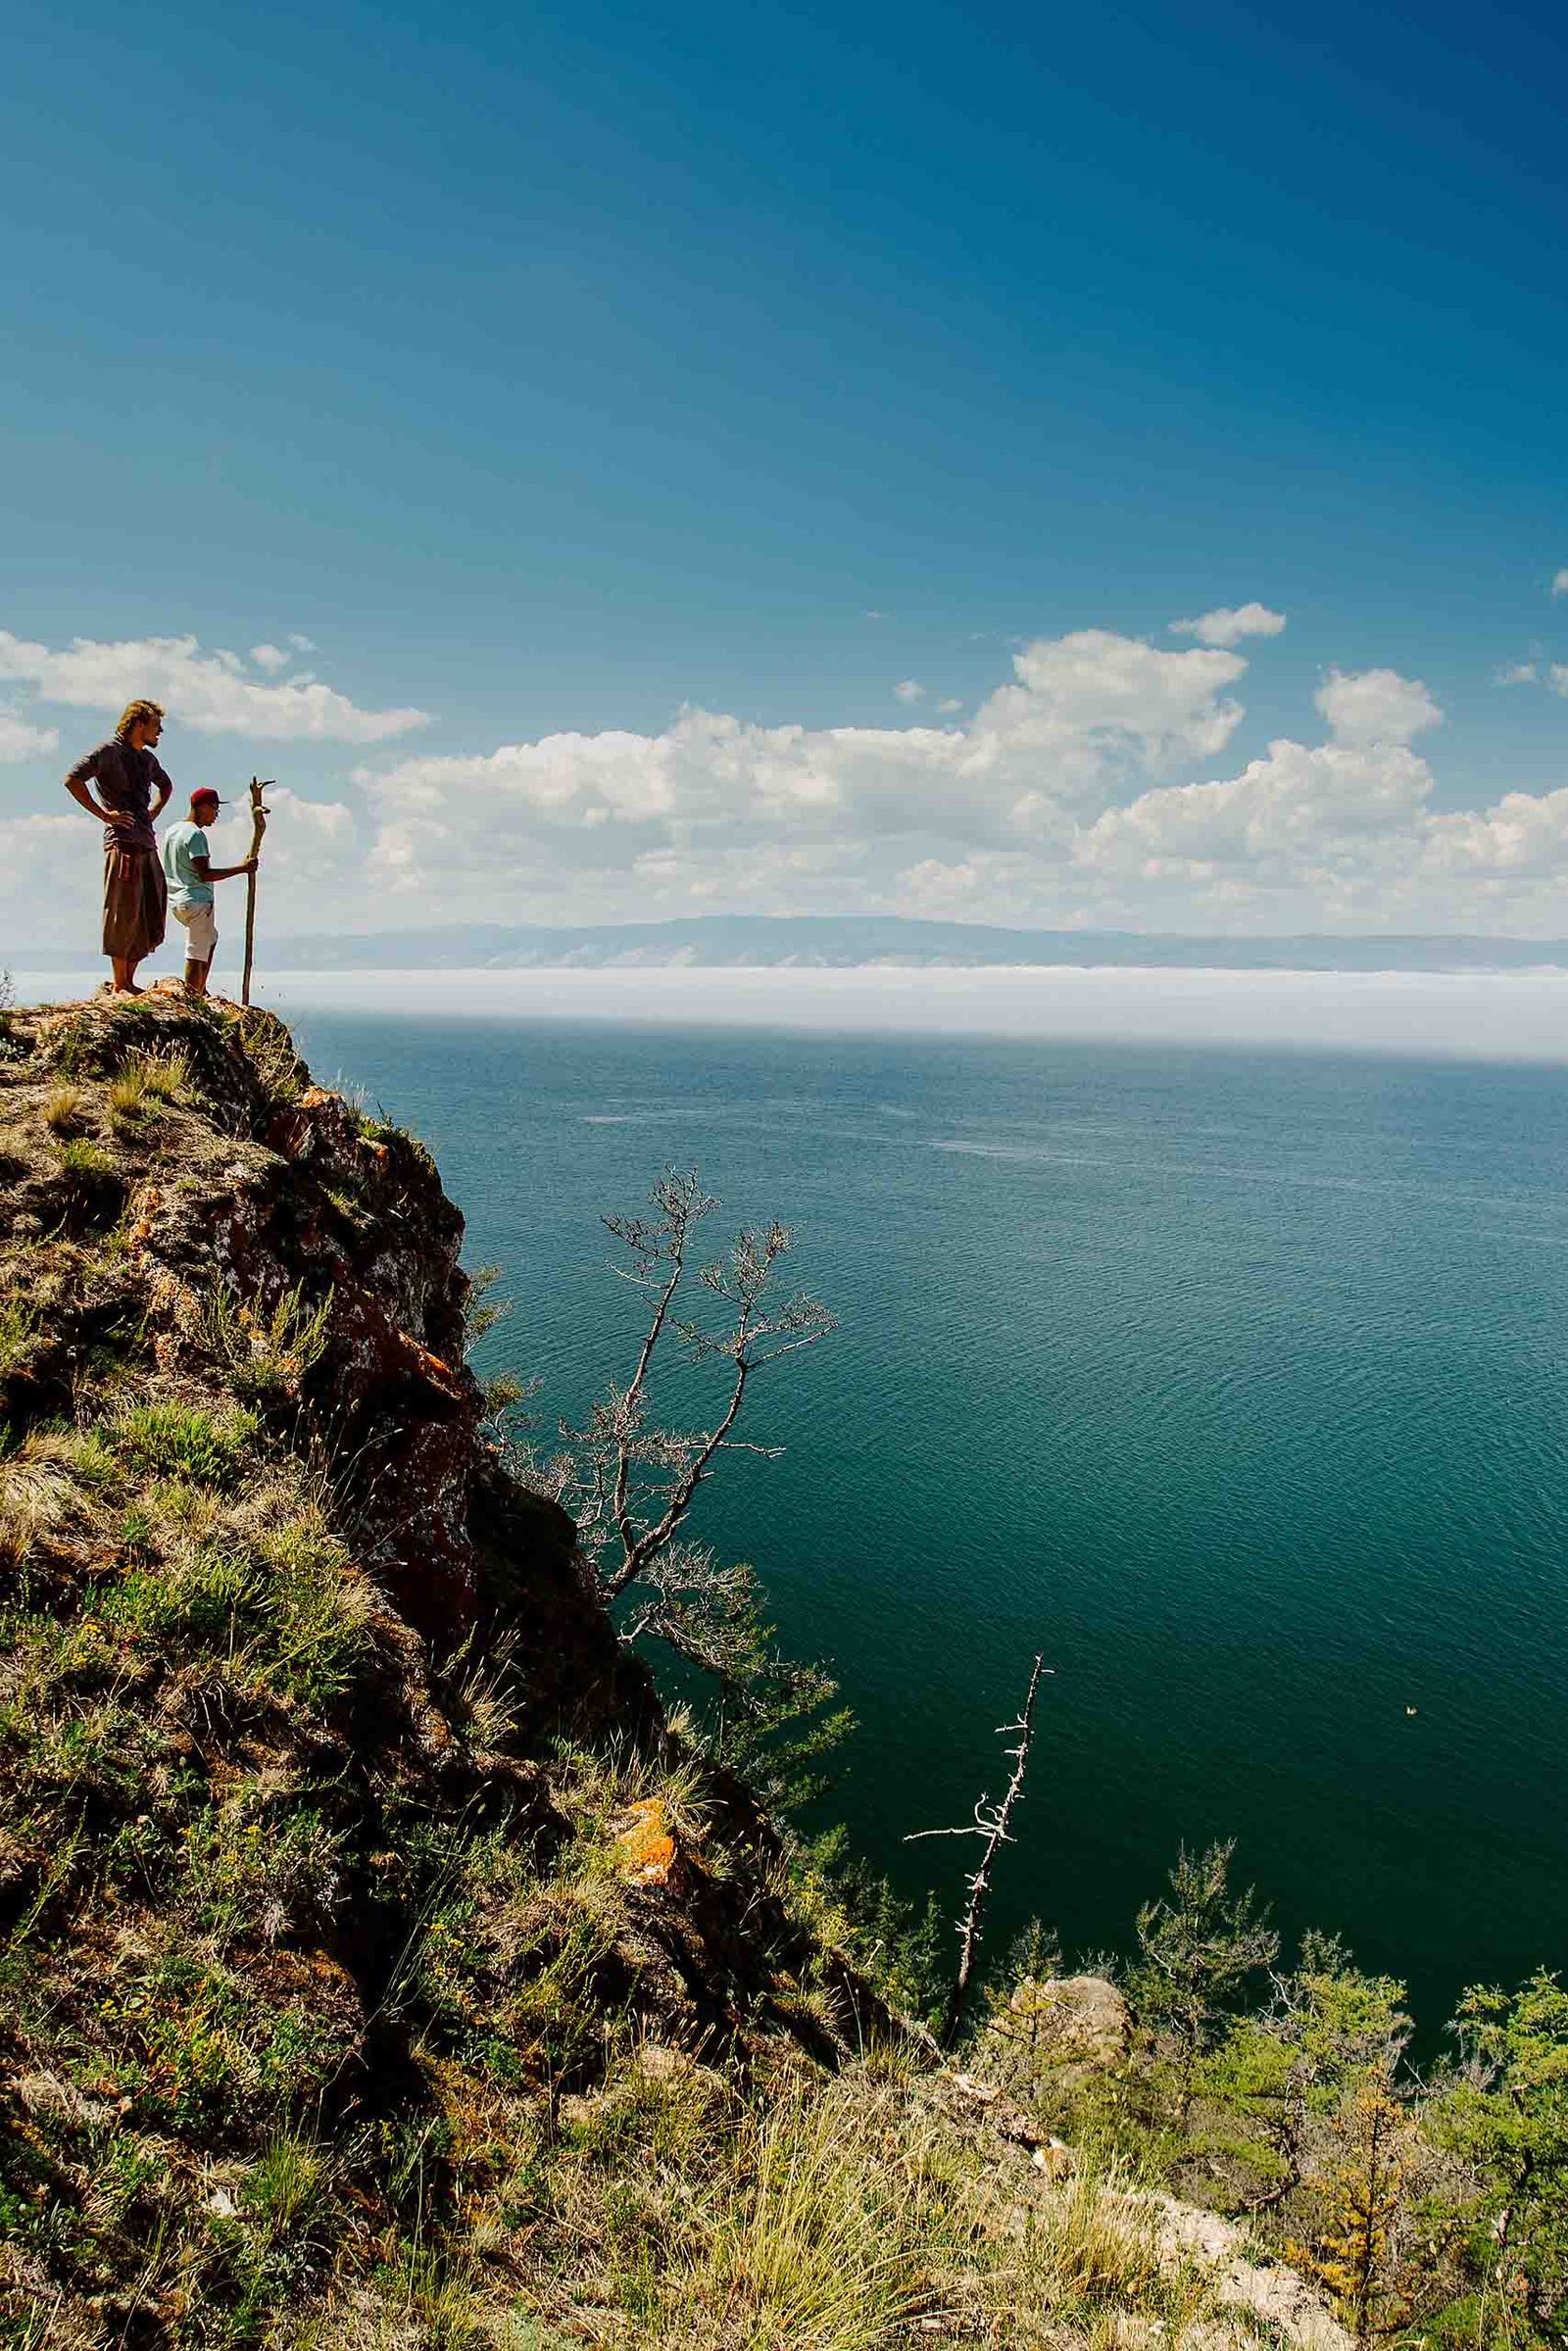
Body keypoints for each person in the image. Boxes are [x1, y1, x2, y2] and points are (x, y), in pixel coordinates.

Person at [63, 699, 174, 993]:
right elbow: (73, 779)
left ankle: (129, 981)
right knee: (122, 911)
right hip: (122, 843)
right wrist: (105, 815)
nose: (159, 731)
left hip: (146, 841)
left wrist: (154, 812)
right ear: (138, 724)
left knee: (150, 909)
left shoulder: (147, 760)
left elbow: (166, 786)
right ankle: (120, 983)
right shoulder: (108, 752)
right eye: (155, 726)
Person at [161, 788, 261, 997]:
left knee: (210, 939)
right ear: (202, 806)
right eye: (214, 808)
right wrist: (242, 868)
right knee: (196, 952)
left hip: (177, 899)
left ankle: (200, 987)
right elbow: (204, 874)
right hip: (196, 899)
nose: (216, 814)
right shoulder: (196, 834)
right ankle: (192, 996)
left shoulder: (172, 831)